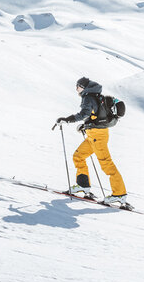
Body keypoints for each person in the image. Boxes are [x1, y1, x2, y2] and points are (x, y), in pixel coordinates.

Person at [55, 77, 128, 206]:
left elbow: (84, 114)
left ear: (84, 87)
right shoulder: (96, 96)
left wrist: (67, 119)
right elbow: (96, 115)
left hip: (97, 136)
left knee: (106, 164)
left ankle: (119, 194)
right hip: (94, 134)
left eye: (78, 86)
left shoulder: (88, 97)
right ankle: (83, 185)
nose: (77, 89)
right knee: (78, 156)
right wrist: (86, 126)